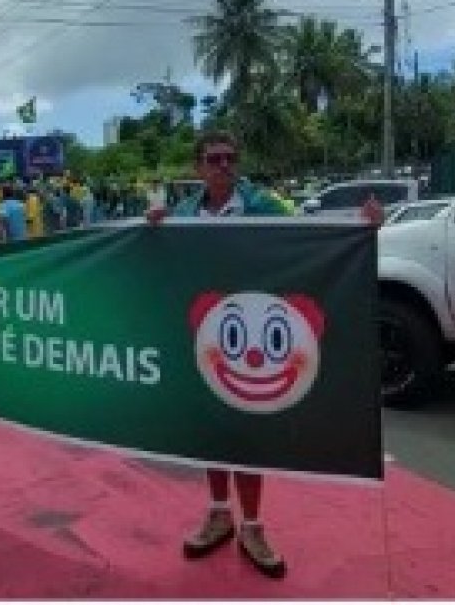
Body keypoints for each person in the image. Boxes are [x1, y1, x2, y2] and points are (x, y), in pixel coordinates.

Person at [146, 130, 381, 579]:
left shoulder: (262, 206)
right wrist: (153, 227)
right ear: (198, 167)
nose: (224, 166)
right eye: (214, 159)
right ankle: (219, 513)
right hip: (208, 338)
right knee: (212, 428)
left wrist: (360, 223)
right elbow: (159, 261)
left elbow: (310, 232)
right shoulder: (184, 215)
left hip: (255, 334)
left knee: (250, 431)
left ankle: (252, 526)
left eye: (230, 158)